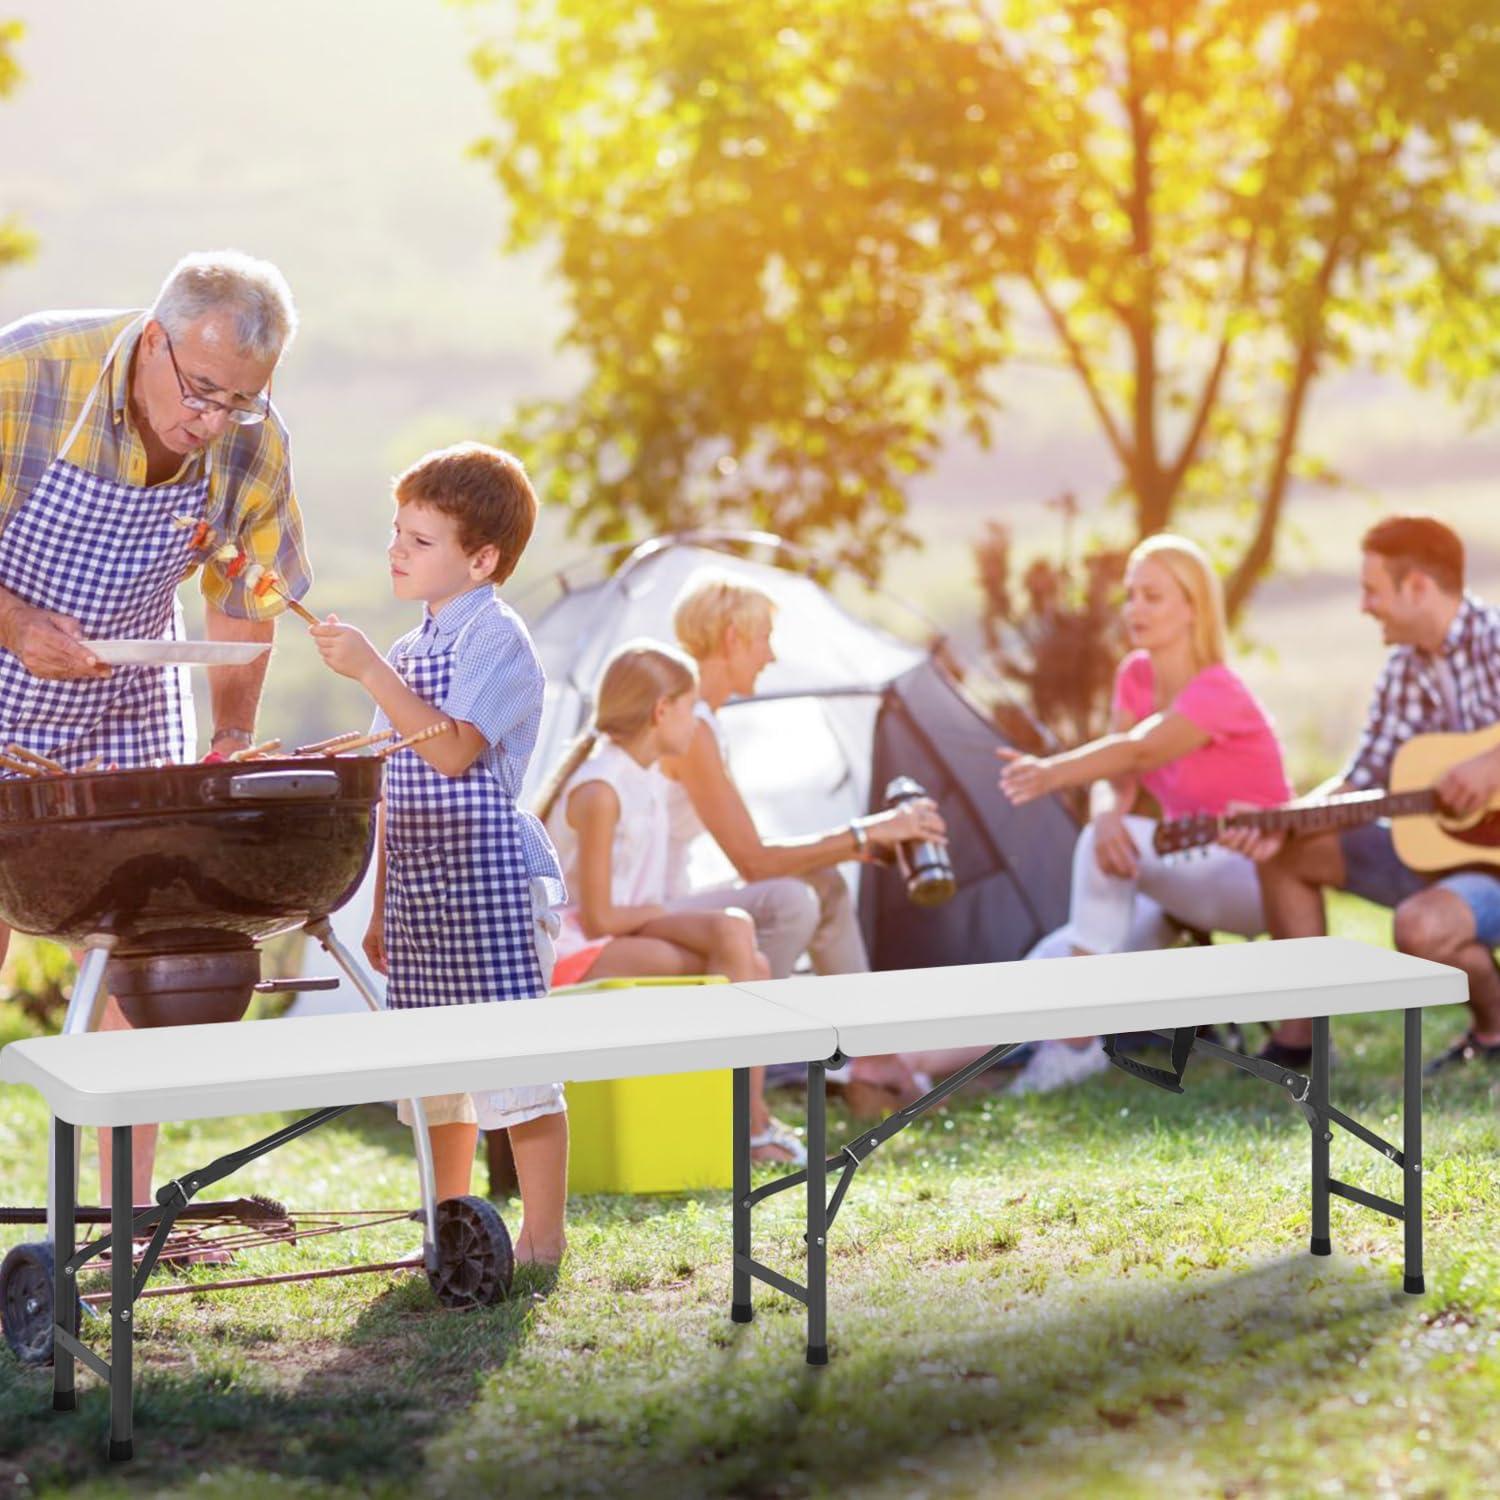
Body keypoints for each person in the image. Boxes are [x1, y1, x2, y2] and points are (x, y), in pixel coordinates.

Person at [0, 250, 308, 1207]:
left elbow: (244, 596)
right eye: (202, 390)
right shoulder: (29, 372)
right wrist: (15, 625)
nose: (212, 421)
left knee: (137, 936)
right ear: (155, 336)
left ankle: (123, 1217)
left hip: (131, 686)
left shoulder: (252, 441)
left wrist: (231, 738)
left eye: (241, 400)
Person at [310, 442, 569, 1266]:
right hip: (423, 891)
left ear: (482, 558)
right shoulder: (413, 647)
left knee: (515, 1073)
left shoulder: (497, 639)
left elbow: (454, 751)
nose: (397, 551)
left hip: (493, 884)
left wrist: (371, 672)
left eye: (421, 541)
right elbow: (395, 788)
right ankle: (448, 1232)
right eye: (397, 532)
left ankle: (542, 1240)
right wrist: (383, 905)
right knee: (435, 1081)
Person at [999, 533, 1291, 1092]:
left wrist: (1051, 772)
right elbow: (1120, 777)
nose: (1135, 609)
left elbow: (1141, 750)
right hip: (1182, 876)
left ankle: (1076, 1045)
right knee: (1053, 958)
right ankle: (911, 1070)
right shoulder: (1135, 675)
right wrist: (1105, 813)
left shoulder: (1219, 690)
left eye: (1153, 596)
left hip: (1252, 879)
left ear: (1193, 606)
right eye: (1130, 595)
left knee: (1115, 849)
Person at [658, 573, 949, 1116]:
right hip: (652, 907)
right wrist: (868, 831)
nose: (770, 654)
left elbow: (752, 849)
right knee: (797, 900)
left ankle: (873, 1058)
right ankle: (742, 1088)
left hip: (676, 898)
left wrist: (850, 845)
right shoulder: (691, 728)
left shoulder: (702, 722)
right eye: (764, 636)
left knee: (825, 884)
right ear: (731, 639)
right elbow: (752, 860)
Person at [1226, 516, 1500, 1076]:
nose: (1363, 606)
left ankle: (1495, 1031)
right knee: (1288, 850)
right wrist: (1285, 818)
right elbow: (1358, 778)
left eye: (1372, 590)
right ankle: (1300, 1041)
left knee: (1419, 929)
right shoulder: (1402, 668)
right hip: (1432, 853)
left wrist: (1491, 762)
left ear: (1418, 586)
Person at [536, 640, 803, 1164]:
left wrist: (663, 911)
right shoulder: (601, 789)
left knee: (743, 943)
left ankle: (747, 1124)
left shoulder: (644, 778)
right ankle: (745, 1129)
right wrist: (665, 913)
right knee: (738, 964)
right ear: (662, 711)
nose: (697, 721)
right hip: (570, 948)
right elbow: (599, 915)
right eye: (691, 707)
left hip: (620, 932)